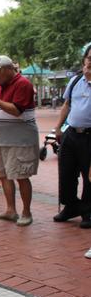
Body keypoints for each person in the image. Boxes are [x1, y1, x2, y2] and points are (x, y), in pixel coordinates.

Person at [0, 55, 39, 226]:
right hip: (3, 138)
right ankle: (11, 210)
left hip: (20, 140)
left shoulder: (23, 84)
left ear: (8, 69)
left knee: (21, 175)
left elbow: (16, 111)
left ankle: (26, 212)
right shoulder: (0, 87)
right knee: (4, 175)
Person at [52, 45, 91, 229]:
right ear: (84, 60)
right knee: (66, 172)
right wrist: (58, 127)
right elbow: (67, 104)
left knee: (89, 176)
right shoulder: (76, 81)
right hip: (71, 134)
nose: (90, 62)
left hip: (89, 136)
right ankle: (71, 206)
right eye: (89, 58)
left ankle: (88, 211)